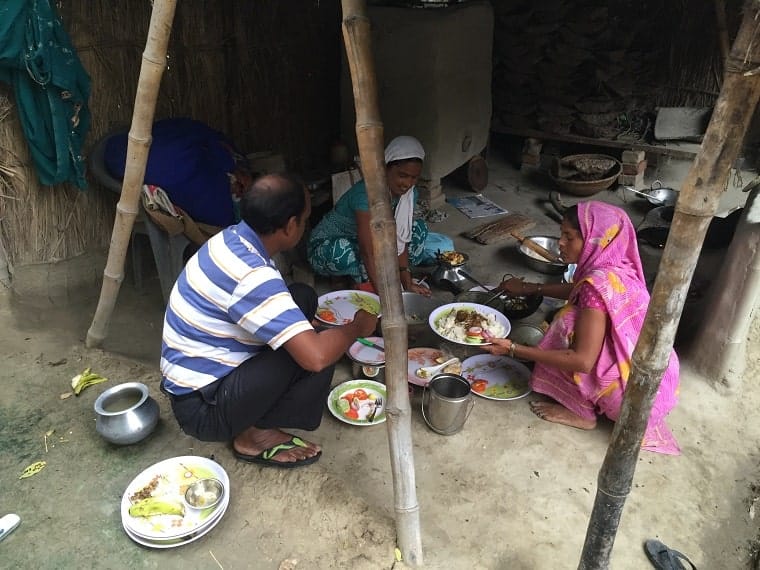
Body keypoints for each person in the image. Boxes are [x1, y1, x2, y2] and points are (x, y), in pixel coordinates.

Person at [160, 173, 378, 468]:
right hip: (202, 409)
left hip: (202, 382)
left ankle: (257, 411)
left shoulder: (231, 238)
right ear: (290, 226)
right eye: (305, 219)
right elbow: (315, 357)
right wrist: (357, 328)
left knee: (301, 297)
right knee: (318, 357)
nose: (305, 225)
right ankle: (255, 437)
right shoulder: (252, 275)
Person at [483, 201, 680, 455]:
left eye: (570, 237)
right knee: (575, 313)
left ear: (595, 239)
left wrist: (512, 349)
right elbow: (580, 292)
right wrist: (531, 287)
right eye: (561, 234)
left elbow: (582, 361)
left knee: (564, 322)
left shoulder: (594, 286)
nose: (561, 243)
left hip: (628, 400)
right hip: (659, 385)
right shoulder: (619, 266)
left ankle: (582, 413)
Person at [308, 135, 432, 296]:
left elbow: (401, 237)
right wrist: (386, 297)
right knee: (344, 253)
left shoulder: (409, 195)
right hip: (329, 244)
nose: (407, 184)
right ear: (385, 169)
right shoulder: (366, 195)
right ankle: (346, 277)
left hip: (374, 241)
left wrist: (407, 283)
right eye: (402, 175)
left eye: (414, 177)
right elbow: (367, 250)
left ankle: (360, 276)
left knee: (419, 230)